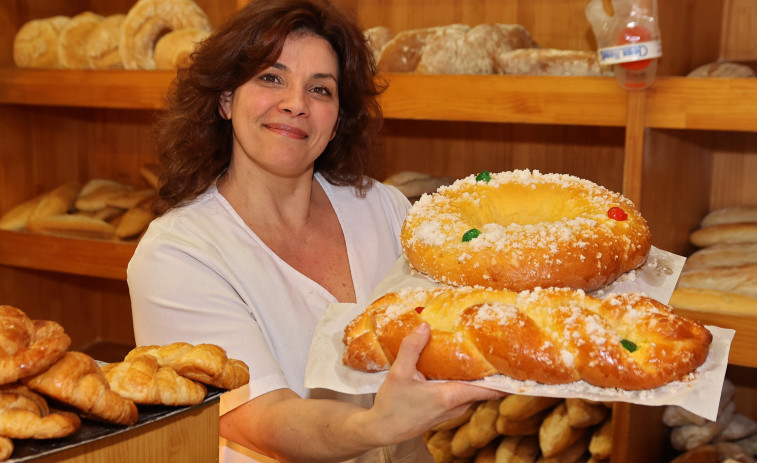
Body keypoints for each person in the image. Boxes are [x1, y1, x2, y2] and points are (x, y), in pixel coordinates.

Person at [127, 0, 504, 462]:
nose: (295, 104)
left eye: (321, 89)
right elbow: (258, 418)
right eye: (271, 78)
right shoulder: (177, 255)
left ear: (339, 116)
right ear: (226, 98)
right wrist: (376, 425)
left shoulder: (381, 208)